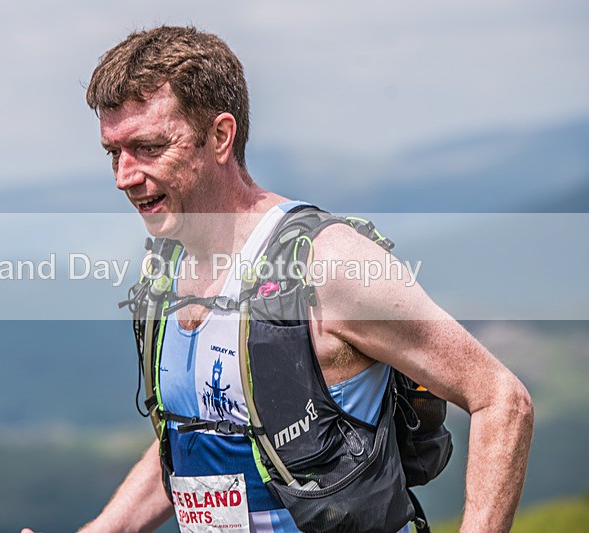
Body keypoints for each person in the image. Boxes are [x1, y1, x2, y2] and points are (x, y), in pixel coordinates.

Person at [28, 25, 534, 533]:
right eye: (113, 152)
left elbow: (501, 399)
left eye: (149, 146)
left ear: (220, 136)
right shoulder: (163, 269)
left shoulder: (328, 264)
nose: (124, 175)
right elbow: (198, 431)